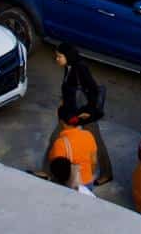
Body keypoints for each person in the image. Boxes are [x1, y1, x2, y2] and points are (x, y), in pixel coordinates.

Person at [52, 43, 113, 185]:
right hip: (70, 113)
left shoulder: (80, 68)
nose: (57, 59)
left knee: (96, 142)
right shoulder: (68, 67)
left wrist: (87, 112)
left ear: (68, 56)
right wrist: (63, 100)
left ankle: (106, 173)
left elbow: (93, 91)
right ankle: (48, 171)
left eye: (59, 56)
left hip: (83, 115)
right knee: (55, 138)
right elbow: (70, 88)